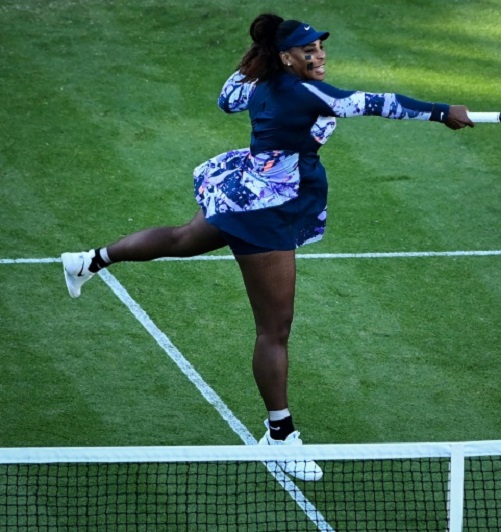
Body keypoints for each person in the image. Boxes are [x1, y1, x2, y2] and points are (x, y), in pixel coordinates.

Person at [61, 12, 474, 481]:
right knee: (274, 329)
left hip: (243, 188)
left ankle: (89, 260)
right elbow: (372, 102)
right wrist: (443, 112)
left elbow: (226, 99)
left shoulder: (256, 81)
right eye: (307, 51)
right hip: (265, 212)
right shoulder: (302, 92)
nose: (318, 56)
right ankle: (279, 436)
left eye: (320, 48)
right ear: (286, 57)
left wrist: (262, 58)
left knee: (182, 239)